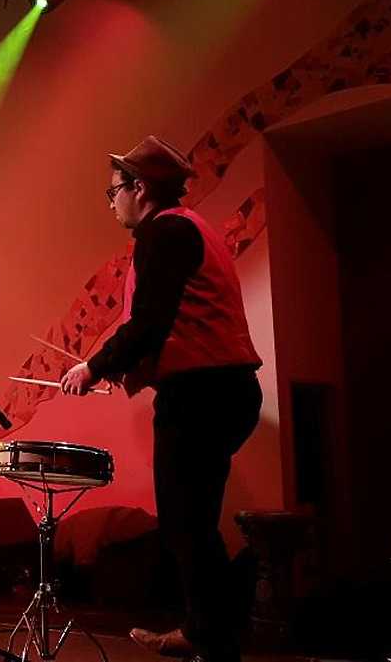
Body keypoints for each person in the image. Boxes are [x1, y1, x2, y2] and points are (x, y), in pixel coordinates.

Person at [60, 135, 262, 662]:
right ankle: (209, 632)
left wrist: (94, 366)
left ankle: (213, 638)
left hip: (202, 395)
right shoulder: (191, 227)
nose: (111, 203)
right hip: (222, 390)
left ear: (140, 188)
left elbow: (150, 322)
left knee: (185, 523)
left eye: (114, 192)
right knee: (192, 521)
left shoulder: (164, 232)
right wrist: (127, 368)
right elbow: (177, 324)